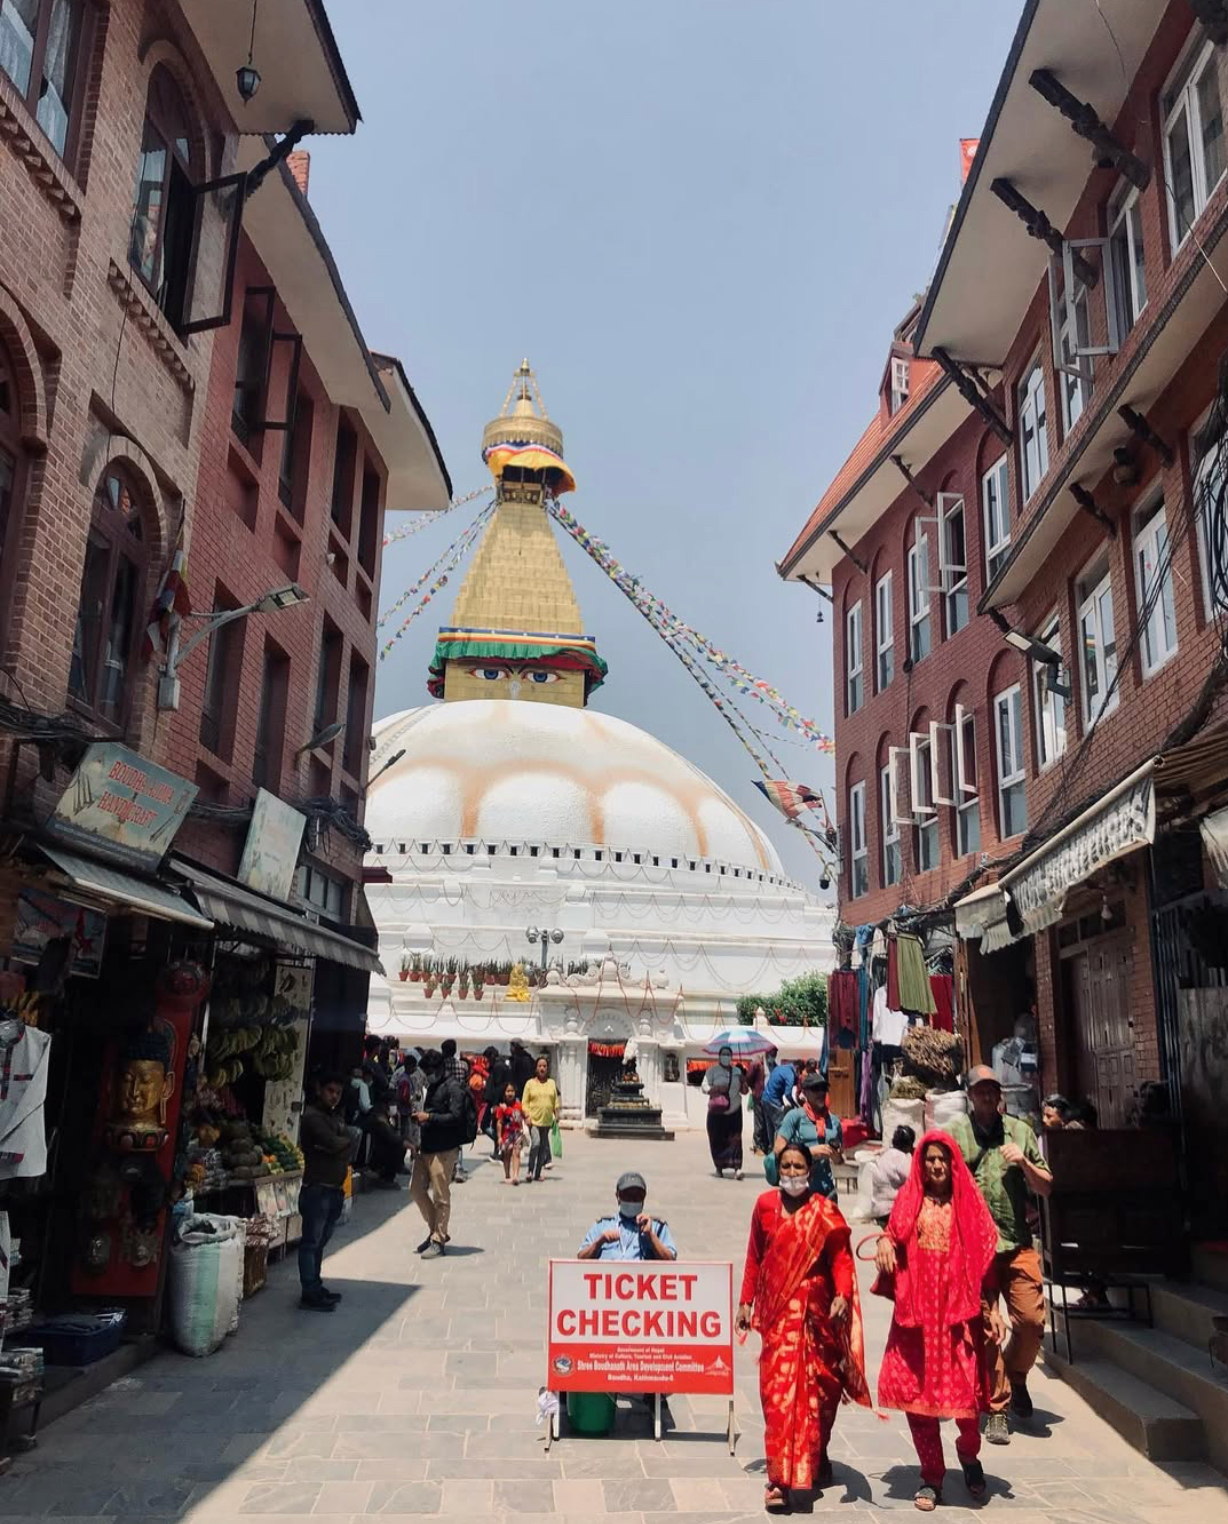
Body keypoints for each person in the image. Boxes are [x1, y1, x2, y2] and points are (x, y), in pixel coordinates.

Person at [737, 1140, 871, 1510]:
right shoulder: (765, 1206)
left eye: (799, 1167)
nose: (793, 1173)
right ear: (778, 1170)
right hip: (778, 1317)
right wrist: (745, 1301)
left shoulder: (824, 1212)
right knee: (778, 1397)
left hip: (818, 1317)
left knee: (822, 1394)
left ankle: (816, 1453)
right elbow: (755, 1257)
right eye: (787, 1167)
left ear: (810, 1172)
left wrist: (843, 1293)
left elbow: (841, 1259)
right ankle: (779, 1480)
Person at [875, 1132, 999, 1512]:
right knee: (918, 1400)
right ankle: (931, 1475)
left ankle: (969, 1454)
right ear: (920, 1164)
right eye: (928, 1159)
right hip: (918, 1320)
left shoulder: (969, 1203)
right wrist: (884, 1242)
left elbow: (986, 1251)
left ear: (954, 1162)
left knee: (967, 1402)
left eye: (942, 1158)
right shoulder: (909, 1199)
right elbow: (893, 1235)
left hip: (958, 1317)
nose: (935, 1165)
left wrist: (991, 1306)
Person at [948, 1064, 1052, 1444]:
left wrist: (1024, 1163)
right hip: (975, 1249)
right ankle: (996, 1409)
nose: (987, 1096)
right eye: (980, 1091)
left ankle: (1017, 1375)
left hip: (1017, 1243)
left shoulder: (1020, 1132)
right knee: (988, 1330)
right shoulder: (956, 1134)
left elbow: (1046, 1188)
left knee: (1029, 1322)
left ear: (1000, 1094)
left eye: (993, 1090)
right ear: (970, 1095)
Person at [298, 1071, 353, 1312]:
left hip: (333, 1188)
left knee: (320, 1241)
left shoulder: (333, 1117)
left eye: (338, 1093)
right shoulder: (312, 1117)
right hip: (317, 1188)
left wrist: (342, 1142)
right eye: (330, 1091)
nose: (334, 1097)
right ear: (319, 1089)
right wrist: (342, 1142)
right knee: (311, 1242)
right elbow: (336, 1143)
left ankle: (316, 1285)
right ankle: (309, 1290)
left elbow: (346, 1142)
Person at [410, 1049, 466, 1259]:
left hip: (444, 1149)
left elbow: (456, 1116)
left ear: (439, 1068)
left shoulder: (454, 1087)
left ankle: (438, 1239)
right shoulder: (432, 1086)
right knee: (415, 1190)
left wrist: (429, 1117)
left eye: (429, 1071)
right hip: (426, 1146)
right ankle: (436, 1230)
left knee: (441, 1195)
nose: (427, 1076)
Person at [577, 1170, 677, 1261]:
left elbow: (670, 1260)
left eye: (638, 1195)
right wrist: (599, 1242)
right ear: (618, 1196)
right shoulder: (602, 1225)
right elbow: (581, 1258)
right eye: (627, 1195)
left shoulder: (657, 1227)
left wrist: (651, 1236)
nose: (632, 1200)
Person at [774, 1073, 843, 1201]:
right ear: (805, 1092)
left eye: (823, 1089)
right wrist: (810, 1152)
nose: (821, 1093)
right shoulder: (795, 1117)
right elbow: (778, 1150)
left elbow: (840, 1161)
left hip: (827, 1192)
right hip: (798, 1191)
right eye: (816, 1089)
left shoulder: (834, 1122)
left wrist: (836, 1156)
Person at [702, 1044, 745, 1179]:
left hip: (734, 1109)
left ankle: (737, 1168)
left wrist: (743, 1081)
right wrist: (715, 1089)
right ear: (719, 1056)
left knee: (735, 1139)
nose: (726, 1056)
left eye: (728, 1054)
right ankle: (719, 1167)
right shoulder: (712, 1071)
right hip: (717, 1111)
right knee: (717, 1139)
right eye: (723, 1054)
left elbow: (744, 1091)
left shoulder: (737, 1071)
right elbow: (704, 1086)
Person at [521, 1054, 559, 1183]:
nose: (542, 1068)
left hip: (547, 1120)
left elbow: (555, 1100)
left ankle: (537, 1173)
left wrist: (557, 1113)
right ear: (536, 1068)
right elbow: (524, 1102)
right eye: (540, 1066)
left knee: (543, 1147)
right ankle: (530, 1170)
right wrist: (526, 1115)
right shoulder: (530, 1084)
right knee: (536, 1144)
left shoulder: (552, 1083)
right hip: (534, 1120)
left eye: (544, 1066)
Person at [869, 1124, 915, 1224]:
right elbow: (913, 1177)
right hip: (892, 1209)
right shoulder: (900, 1157)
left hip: (877, 1207)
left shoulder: (885, 1154)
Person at [441, 1039, 470, 1183]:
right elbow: (466, 1084)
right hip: (460, 1104)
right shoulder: (463, 1065)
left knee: (444, 1137)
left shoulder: (441, 1066)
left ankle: (446, 1168)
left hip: (444, 1104)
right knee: (458, 1138)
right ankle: (458, 1168)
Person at [495, 1080, 526, 1185]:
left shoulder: (518, 1105)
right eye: (508, 1091)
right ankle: (507, 1175)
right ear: (504, 1093)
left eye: (512, 1091)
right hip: (506, 1133)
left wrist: (507, 1110)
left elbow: (518, 1118)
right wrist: (499, 1137)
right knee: (507, 1154)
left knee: (516, 1153)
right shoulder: (500, 1108)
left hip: (517, 1132)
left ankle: (516, 1175)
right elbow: (499, 1123)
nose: (510, 1093)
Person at [483, 1046, 512, 1156]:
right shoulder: (498, 1066)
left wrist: (495, 1104)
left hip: (497, 1102)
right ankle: (498, 1150)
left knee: (487, 1125)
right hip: (496, 1100)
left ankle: (500, 1144)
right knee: (495, 1125)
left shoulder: (498, 1067)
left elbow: (499, 1087)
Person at [761, 1055, 797, 1142]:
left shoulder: (779, 1068)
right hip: (773, 1102)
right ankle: (779, 1149)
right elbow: (788, 1094)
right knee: (780, 1125)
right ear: (797, 1068)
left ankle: (771, 1147)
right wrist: (794, 1105)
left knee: (770, 1125)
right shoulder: (790, 1074)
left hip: (764, 1099)